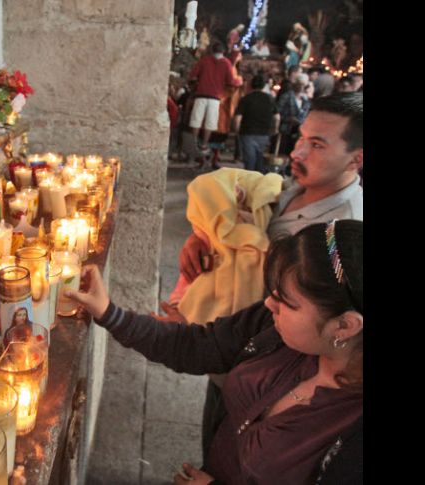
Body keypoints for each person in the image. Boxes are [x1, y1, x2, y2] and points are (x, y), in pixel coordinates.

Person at [66, 219, 363, 484]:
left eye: (288, 302)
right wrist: (108, 312)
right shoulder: (273, 329)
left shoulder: (352, 430)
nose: (270, 305)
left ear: (346, 326)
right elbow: (196, 345)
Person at [165, 92, 363, 459]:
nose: (298, 152)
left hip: (268, 382)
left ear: (358, 158)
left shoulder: (343, 235)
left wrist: (198, 334)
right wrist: (202, 237)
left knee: (236, 459)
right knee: (213, 443)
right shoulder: (292, 191)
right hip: (231, 361)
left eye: (317, 145)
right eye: (301, 137)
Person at [188, 42, 244, 154]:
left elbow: (193, 74)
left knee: (196, 120)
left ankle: (193, 145)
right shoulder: (226, 63)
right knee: (210, 122)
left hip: (201, 94)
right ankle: (204, 145)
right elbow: (231, 81)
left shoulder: (205, 60)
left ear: (212, 50)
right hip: (215, 98)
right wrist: (239, 80)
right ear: (223, 52)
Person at [233, 74, 280, 173]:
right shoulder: (270, 98)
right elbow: (277, 117)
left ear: (251, 85)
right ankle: (258, 183)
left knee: (249, 162)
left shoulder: (246, 99)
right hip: (264, 134)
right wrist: (275, 129)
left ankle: (248, 183)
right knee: (260, 162)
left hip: (247, 133)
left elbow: (237, 118)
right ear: (264, 86)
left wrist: (237, 131)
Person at [277, 73, 311, 155]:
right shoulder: (286, 96)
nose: (301, 87)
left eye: (303, 85)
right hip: (285, 130)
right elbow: (277, 112)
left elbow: (306, 114)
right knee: (282, 152)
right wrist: (288, 119)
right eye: (299, 85)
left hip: (299, 132)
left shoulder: (305, 99)